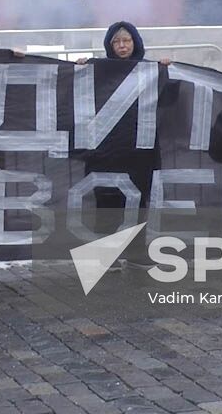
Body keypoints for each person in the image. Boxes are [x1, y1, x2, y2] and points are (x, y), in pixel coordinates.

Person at [77, 22, 167, 267]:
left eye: (126, 40)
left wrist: (166, 73)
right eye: (116, 41)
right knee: (107, 200)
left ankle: (135, 251)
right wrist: (78, 70)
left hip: (139, 150)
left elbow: (169, 102)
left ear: (135, 42)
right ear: (109, 45)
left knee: (137, 200)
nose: (122, 46)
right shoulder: (97, 71)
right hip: (106, 150)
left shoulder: (151, 71)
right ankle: (106, 253)